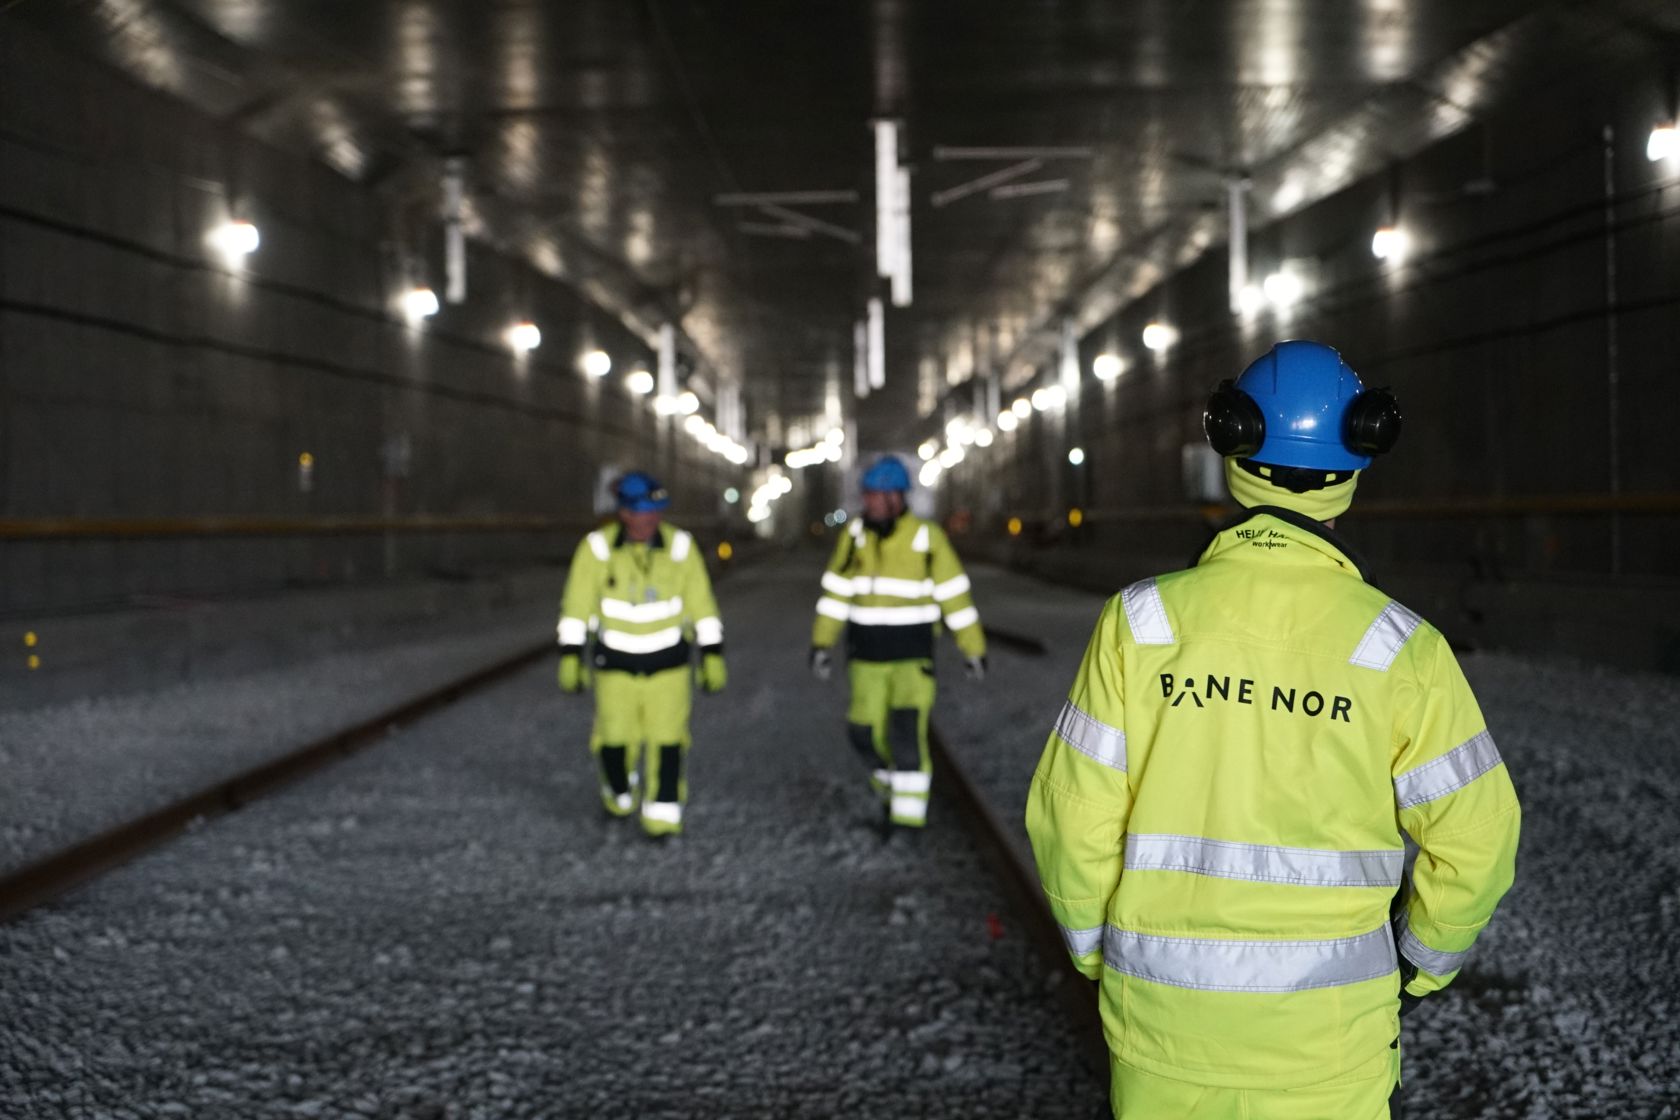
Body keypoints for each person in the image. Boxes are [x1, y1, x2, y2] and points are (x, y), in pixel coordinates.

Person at [1026, 340, 1521, 1118]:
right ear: (1358, 458)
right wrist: (1419, 967)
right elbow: (1482, 837)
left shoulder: (1140, 623)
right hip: (1331, 1047)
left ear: (1232, 444)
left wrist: (1095, 949)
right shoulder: (1400, 649)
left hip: (1163, 1033)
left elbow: (1068, 817)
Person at [809, 454, 986, 829]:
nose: (869, 502)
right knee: (862, 731)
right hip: (865, 656)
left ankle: (908, 819)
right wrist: (821, 643)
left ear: (897, 498)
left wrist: (973, 648)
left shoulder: (927, 538)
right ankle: (891, 786)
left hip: (911, 656)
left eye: (876, 495)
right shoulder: (854, 537)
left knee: (906, 732)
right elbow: (835, 594)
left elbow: (955, 597)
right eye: (867, 494)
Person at [556, 471, 726, 837]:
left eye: (654, 513)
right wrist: (571, 654)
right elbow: (577, 605)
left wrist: (711, 651)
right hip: (615, 666)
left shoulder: (680, 547)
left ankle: (662, 816)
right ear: (624, 513)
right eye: (640, 513)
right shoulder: (597, 549)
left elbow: (702, 604)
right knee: (613, 740)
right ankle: (618, 790)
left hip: (669, 666)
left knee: (668, 741)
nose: (648, 521)